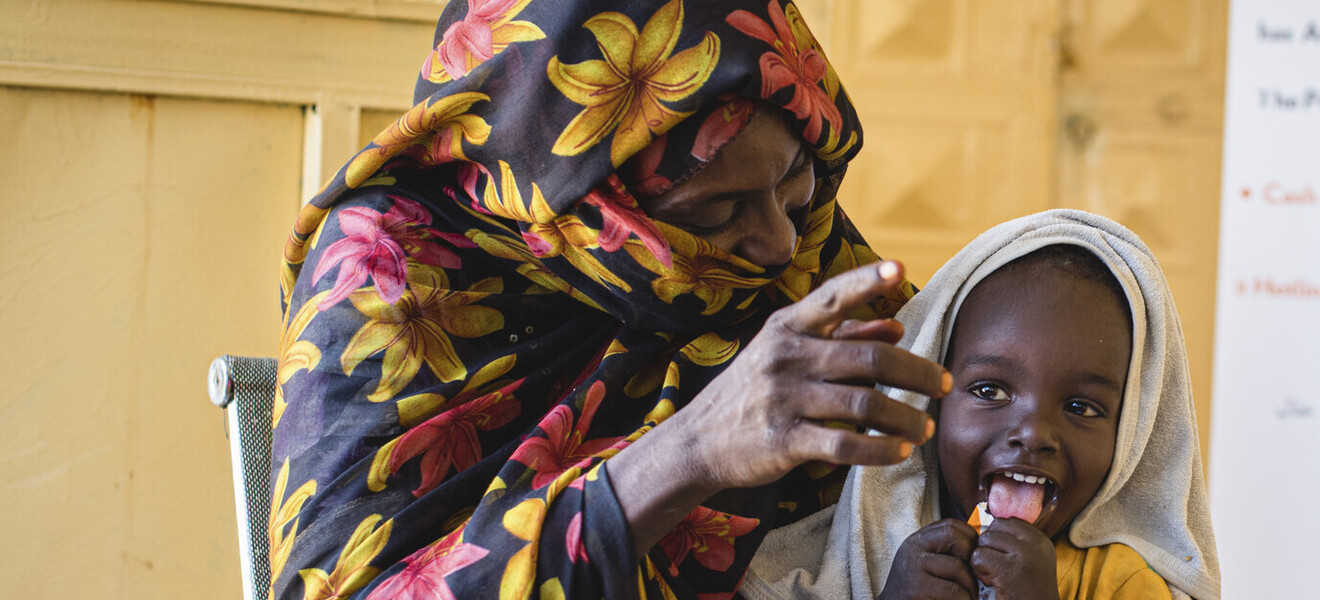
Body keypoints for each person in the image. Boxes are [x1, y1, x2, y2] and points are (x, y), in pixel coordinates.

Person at [270, 1, 947, 599]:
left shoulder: (791, 239)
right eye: (714, 214)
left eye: (797, 185)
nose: (778, 246)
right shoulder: (390, 265)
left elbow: (948, 416)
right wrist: (695, 448)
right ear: (579, 198)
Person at [743, 209, 1222, 600]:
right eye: (990, 392)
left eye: (1081, 408)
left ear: (1134, 436)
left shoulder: (1122, 583)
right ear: (928, 403)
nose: (1033, 433)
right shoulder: (852, 563)